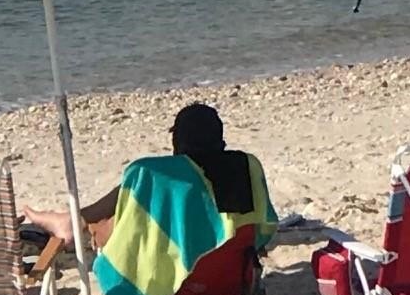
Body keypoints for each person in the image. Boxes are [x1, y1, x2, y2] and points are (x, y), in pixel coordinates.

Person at [23, 102, 270, 251]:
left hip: (177, 283)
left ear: (177, 144)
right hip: (231, 276)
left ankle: (73, 223)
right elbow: (262, 230)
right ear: (221, 141)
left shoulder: (161, 179)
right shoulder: (247, 167)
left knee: (140, 186)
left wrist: (100, 229)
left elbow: (126, 244)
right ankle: (72, 221)